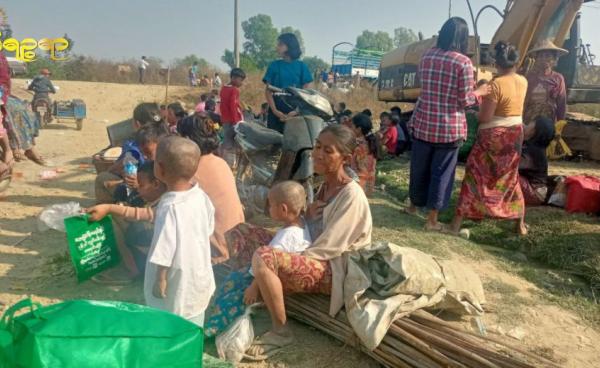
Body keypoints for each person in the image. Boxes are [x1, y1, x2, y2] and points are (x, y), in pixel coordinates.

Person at [226, 124, 372, 359]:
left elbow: (330, 246)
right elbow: (308, 229)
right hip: (313, 254)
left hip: (334, 268)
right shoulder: (325, 186)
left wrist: (286, 258)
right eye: (317, 146)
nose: (318, 154)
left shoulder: (351, 195)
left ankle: (281, 331)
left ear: (345, 158)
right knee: (241, 232)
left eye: (328, 150)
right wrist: (305, 217)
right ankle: (258, 290)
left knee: (266, 256)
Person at [90, 137, 215, 325]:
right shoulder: (199, 195)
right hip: (198, 275)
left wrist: (161, 279)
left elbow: (165, 249)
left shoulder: (169, 207)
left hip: (176, 283)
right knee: (194, 320)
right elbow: (208, 228)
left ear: (160, 169)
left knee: (172, 322)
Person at [406, 17, 490, 231]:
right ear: (462, 38)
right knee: (441, 173)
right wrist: (479, 92)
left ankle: (413, 206)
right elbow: (465, 100)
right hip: (448, 129)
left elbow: (423, 85)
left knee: (419, 168)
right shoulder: (462, 62)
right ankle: (432, 220)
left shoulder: (426, 56)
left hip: (423, 121)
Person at [448, 41, 528, 236]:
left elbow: (485, 117)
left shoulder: (495, 85)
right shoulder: (523, 81)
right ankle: (519, 225)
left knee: (475, 175)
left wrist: (475, 114)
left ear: (496, 63)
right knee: (509, 177)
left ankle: (456, 225)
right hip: (515, 134)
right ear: (516, 62)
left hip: (493, 136)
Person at [178, 113, 245, 264]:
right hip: (237, 242)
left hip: (218, 253)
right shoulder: (220, 162)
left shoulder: (191, 172)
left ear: (187, 140)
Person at [87, 161, 167, 284]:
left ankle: (131, 269)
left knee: (116, 218)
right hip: (163, 248)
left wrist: (110, 208)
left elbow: (144, 214)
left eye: (141, 185)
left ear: (156, 184)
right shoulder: (171, 194)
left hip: (162, 250)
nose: (138, 189)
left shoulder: (167, 203)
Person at [243, 181, 312, 304]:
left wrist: (253, 288)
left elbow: (264, 266)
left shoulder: (284, 238)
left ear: (283, 209)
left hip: (267, 279)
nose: (268, 209)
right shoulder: (302, 222)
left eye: (270, 205)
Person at [95, 103, 165, 204]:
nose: (145, 156)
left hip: (149, 196)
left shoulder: (134, 146)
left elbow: (130, 176)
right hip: (157, 190)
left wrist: (114, 173)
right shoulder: (169, 138)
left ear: (137, 124)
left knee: (102, 178)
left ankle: (109, 211)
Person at [263, 33, 313, 133]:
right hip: (275, 111)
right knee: (274, 142)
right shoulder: (274, 66)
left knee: (295, 142)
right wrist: (275, 111)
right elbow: (268, 91)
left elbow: (306, 94)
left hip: (296, 111)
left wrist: (296, 111)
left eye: (280, 44)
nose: (277, 47)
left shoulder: (302, 67)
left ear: (290, 46)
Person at [523, 40, 568, 127]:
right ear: (536, 59)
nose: (544, 59)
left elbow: (561, 103)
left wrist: (560, 124)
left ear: (554, 59)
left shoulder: (558, 78)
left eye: (547, 56)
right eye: (541, 56)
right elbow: (522, 101)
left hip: (548, 121)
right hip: (528, 120)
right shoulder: (529, 77)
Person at [519, 116, 556, 206]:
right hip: (533, 190)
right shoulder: (533, 147)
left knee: (507, 175)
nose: (525, 125)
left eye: (529, 124)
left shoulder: (533, 151)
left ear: (533, 131)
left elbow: (513, 166)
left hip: (534, 193)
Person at [220, 68, 246, 166]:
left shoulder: (223, 88)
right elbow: (233, 106)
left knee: (227, 142)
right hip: (233, 120)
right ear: (233, 78)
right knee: (235, 143)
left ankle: (226, 164)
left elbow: (224, 105)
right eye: (241, 80)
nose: (241, 83)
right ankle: (232, 165)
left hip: (225, 119)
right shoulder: (234, 90)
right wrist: (236, 121)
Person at [350, 113, 379, 196]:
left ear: (358, 129)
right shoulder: (371, 142)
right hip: (368, 185)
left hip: (357, 186)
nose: (350, 128)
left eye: (352, 126)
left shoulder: (356, 145)